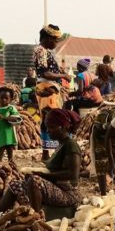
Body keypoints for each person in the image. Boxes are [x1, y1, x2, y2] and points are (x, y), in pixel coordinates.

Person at [0, 109, 83, 214]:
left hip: (69, 192)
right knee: (15, 184)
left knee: (35, 181)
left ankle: (36, 218)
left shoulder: (71, 145)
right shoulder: (61, 145)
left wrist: (44, 176)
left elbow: (73, 173)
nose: (48, 131)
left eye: (51, 127)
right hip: (57, 187)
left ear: (63, 127)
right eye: (47, 128)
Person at [34, 24, 72, 161]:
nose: (56, 43)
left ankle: (47, 153)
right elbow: (46, 73)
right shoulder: (41, 51)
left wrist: (60, 73)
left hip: (48, 87)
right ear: (47, 38)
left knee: (48, 119)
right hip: (47, 88)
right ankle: (51, 153)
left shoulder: (44, 51)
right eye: (55, 40)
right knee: (52, 120)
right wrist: (62, 76)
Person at [0, 87, 20, 163]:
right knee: (0, 150)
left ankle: (11, 164)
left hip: (10, 134)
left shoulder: (11, 108)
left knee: (10, 150)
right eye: (1, 97)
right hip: (0, 133)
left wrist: (4, 117)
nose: (3, 100)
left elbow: (16, 119)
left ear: (10, 99)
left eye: (6, 98)